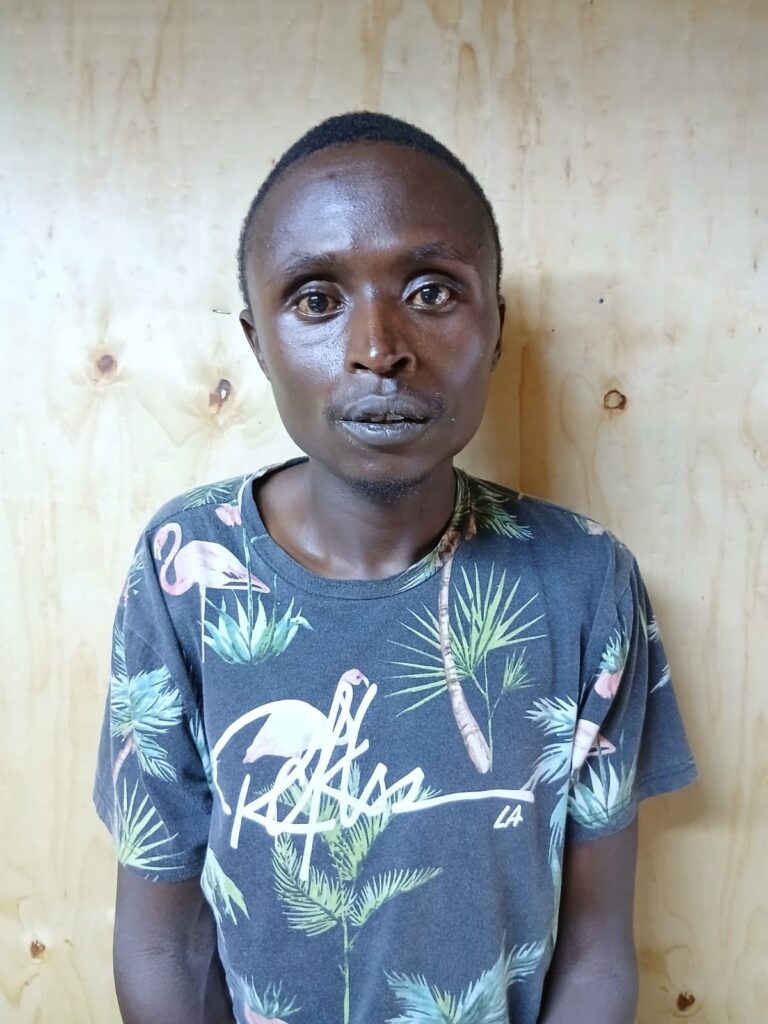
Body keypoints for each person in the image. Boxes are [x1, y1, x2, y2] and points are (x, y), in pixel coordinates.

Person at [94, 111, 697, 1024]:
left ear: (496, 326)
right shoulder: (183, 571)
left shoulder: (584, 581)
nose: (379, 349)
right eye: (316, 300)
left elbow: (597, 954)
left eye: (431, 291)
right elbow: (161, 946)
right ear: (258, 343)